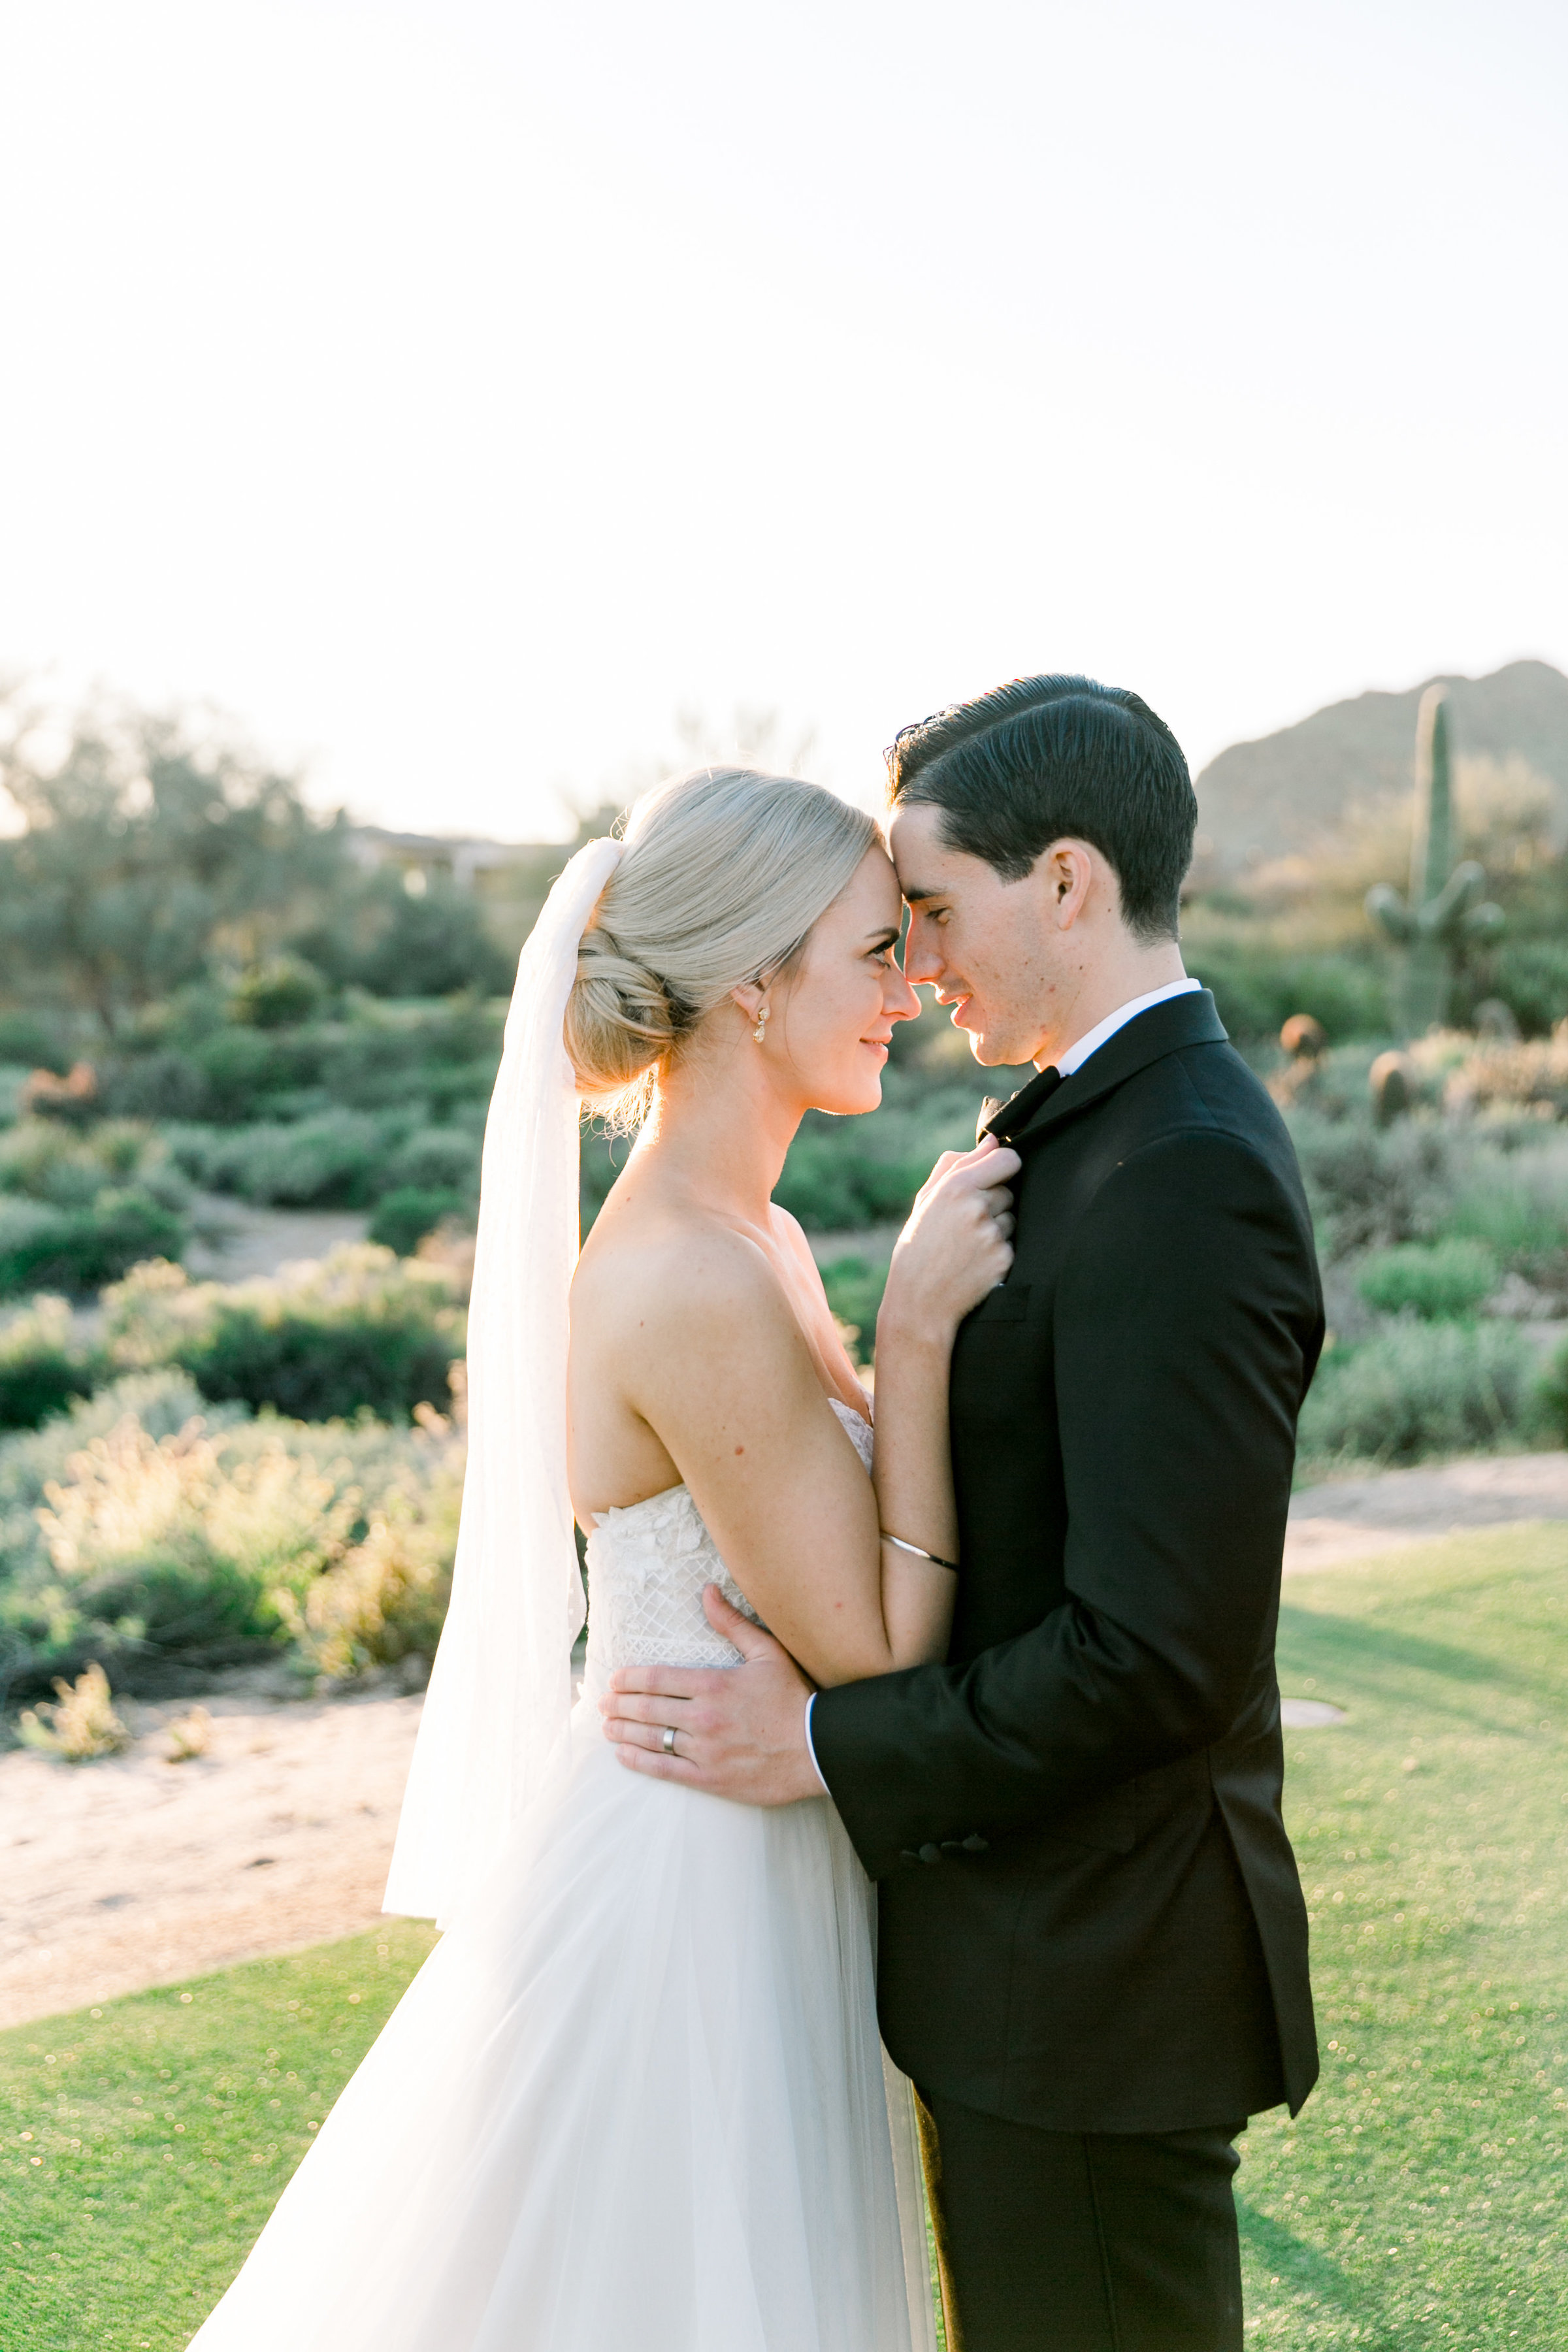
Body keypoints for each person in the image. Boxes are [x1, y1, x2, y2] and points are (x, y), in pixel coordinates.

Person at [188, 764, 1018, 2352]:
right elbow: (878, 1653)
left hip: (755, 1845)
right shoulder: (691, 1275)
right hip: (686, 1891)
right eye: (871, 952)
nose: (908, 991)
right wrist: (913, 1334)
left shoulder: (754, 1239)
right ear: (757, 983)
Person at [602, 676, 1326, 2352]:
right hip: (1016, 1967)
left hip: (1095, 1985)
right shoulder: (1083, 1130)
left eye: (931, 910)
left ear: (1066, 883)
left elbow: (1157, 1655)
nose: (916, 968)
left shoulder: (1182, 1169)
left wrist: (833, 1747)